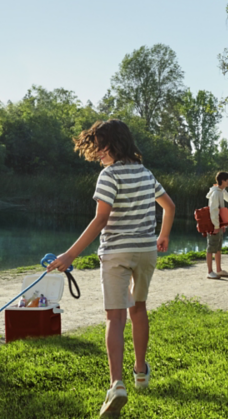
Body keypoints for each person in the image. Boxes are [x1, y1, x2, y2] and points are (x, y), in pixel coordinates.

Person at [45, 120, 175, 418]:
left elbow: (101, 220)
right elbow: (170, 206)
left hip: (116, 252)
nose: (97, 154)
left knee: (114, 317)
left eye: (100, 147)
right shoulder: (146, 173)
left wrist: (70, 254)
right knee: (138, 308)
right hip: (145, 251)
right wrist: (164, 235)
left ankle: (117, 384)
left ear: (114, 145)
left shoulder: (109, 175)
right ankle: (141, 373)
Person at [206, 171, 228, 279]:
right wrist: (216, 226)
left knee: (217, 248)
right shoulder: (216, 193)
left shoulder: (220, 191)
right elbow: (213, 211)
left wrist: (222, 225)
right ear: (223, 180)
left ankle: (218, 270)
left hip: (218, 225)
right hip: (214, 225)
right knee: (211, 248)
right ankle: (209, 271)